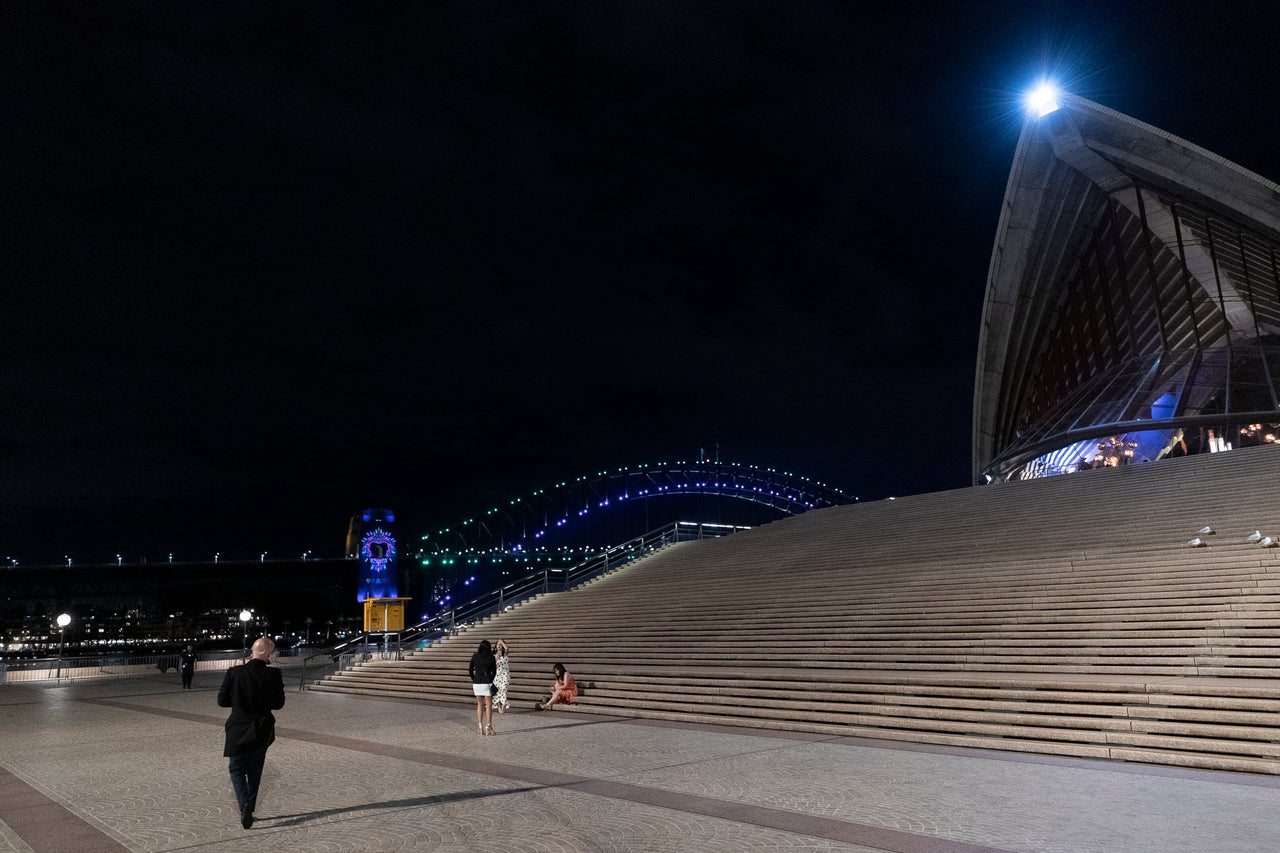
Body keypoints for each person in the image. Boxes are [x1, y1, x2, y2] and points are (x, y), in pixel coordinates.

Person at [217, 637, 285, 829]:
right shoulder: (274, 675)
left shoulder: (234, 673)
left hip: (238, 727)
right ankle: (250, 807)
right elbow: (278, 704)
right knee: (255, 770)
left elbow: (222, 701)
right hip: (261, 728)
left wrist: (238, 701)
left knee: (236, 769)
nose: (274, 655)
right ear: (266, 653)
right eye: (273, 652)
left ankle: (244, 804)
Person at [468, 639, 497, 735]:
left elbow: (470, 669)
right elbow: (494, 671)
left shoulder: (475, 656)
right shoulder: (491, 657)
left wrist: (474, 678)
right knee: (488, 706)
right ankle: (488, 726)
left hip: (477, 683)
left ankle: (480, 726)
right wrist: (490, 679)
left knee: (479, 705)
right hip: (486, 683)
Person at [493, 639, 511, 714]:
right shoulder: (494, 654)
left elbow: (507, 648)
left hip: (505, 674)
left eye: (500, 645)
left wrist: (501, 641)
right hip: (497, 674)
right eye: (497, 644)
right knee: (497, 691)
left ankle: (503, 706)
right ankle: (498, 706)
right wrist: (496, 658)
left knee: (504, 689)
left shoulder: (505, 653)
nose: (499, 646)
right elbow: (492, 665)